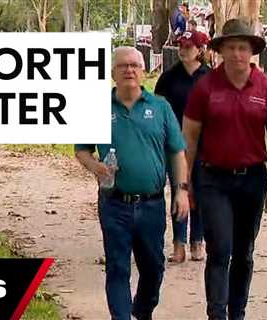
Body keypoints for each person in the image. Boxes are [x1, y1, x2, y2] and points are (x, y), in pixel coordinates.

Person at [75, 47, 189, 320]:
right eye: (123, 66)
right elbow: (81, 150)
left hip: (151, 203)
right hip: (115, 203)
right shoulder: (97, 108)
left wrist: (181, 191)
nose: (129, 70)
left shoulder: (160, 107)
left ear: (143, 70)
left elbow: (177, 152)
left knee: (153, 268)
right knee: (118, 267)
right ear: (112, 72)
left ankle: (142, 310)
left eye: (135, 65)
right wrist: (96, 167)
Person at [182, 18, 267, 320]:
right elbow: (189, 136)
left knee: (244, 252)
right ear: (221, 50)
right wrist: (184, 183)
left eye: (243, 48)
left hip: (252, 179)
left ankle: (237, 312)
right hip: (213, 178)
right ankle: (216, 312)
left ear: (252, 51)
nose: (238, 54)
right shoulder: (205, 88)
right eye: (231, 47)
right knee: (220, 248)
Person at [154, 30, 209, 263]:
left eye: (188, 46)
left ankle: (198, 239)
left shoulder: (211, 78)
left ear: (200, 50)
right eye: (181, 45)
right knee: (180, 189)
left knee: (201, 191)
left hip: (205, 145)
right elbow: (156, 111)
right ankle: (179, 243)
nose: (183, 49)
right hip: (175, 145)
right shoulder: (168, 78)